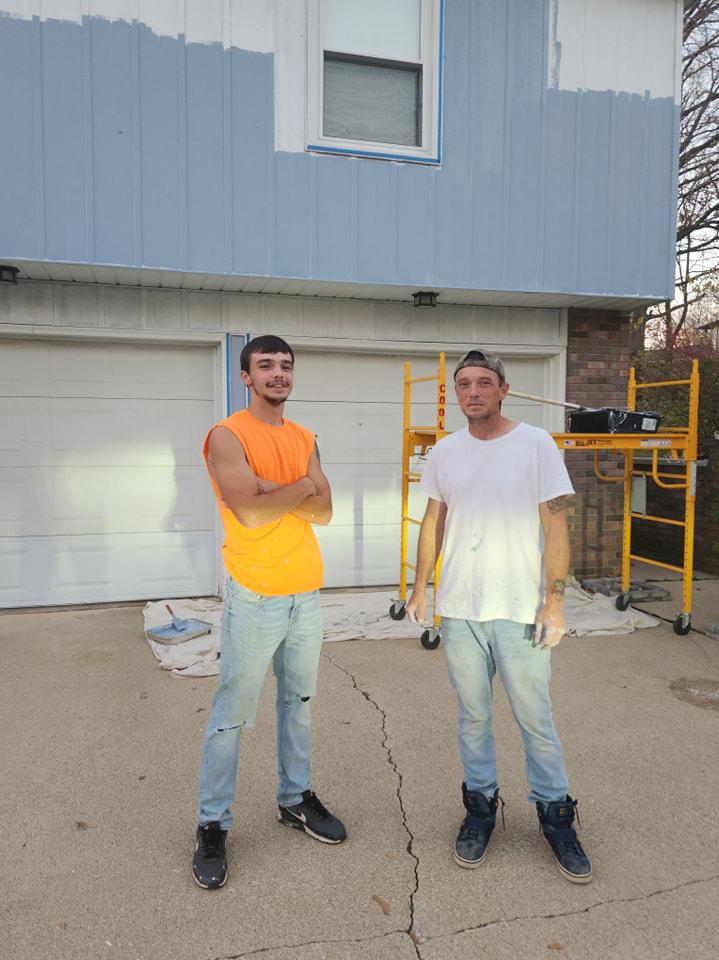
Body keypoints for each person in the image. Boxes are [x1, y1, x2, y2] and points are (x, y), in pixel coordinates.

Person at [405, 349, 592, 884]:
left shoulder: (535, 444)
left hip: (519, 610)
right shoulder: (445, 451)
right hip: (460, 609)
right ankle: (481, 808)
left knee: (536, 719)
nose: (472, 392)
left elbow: (557, 527)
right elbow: (432, 523)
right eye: (463, 383)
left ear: (503, 389)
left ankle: (556, 815)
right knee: (474, 716)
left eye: (483, 382)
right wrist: (421, 587)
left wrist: (554, 602)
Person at [192, 334, 345, 890]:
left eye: (286, 366)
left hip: (306, 594)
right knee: (232, 712)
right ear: (246, 377)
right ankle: (213, 823)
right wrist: (299, 488)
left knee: (298, 703)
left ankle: (294, 799)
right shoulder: (227, 436)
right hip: (255, 595)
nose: (278, 374)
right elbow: (251, 519)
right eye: (266, 366)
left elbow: (325, 511)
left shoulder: (305, 437)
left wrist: (279, 488)